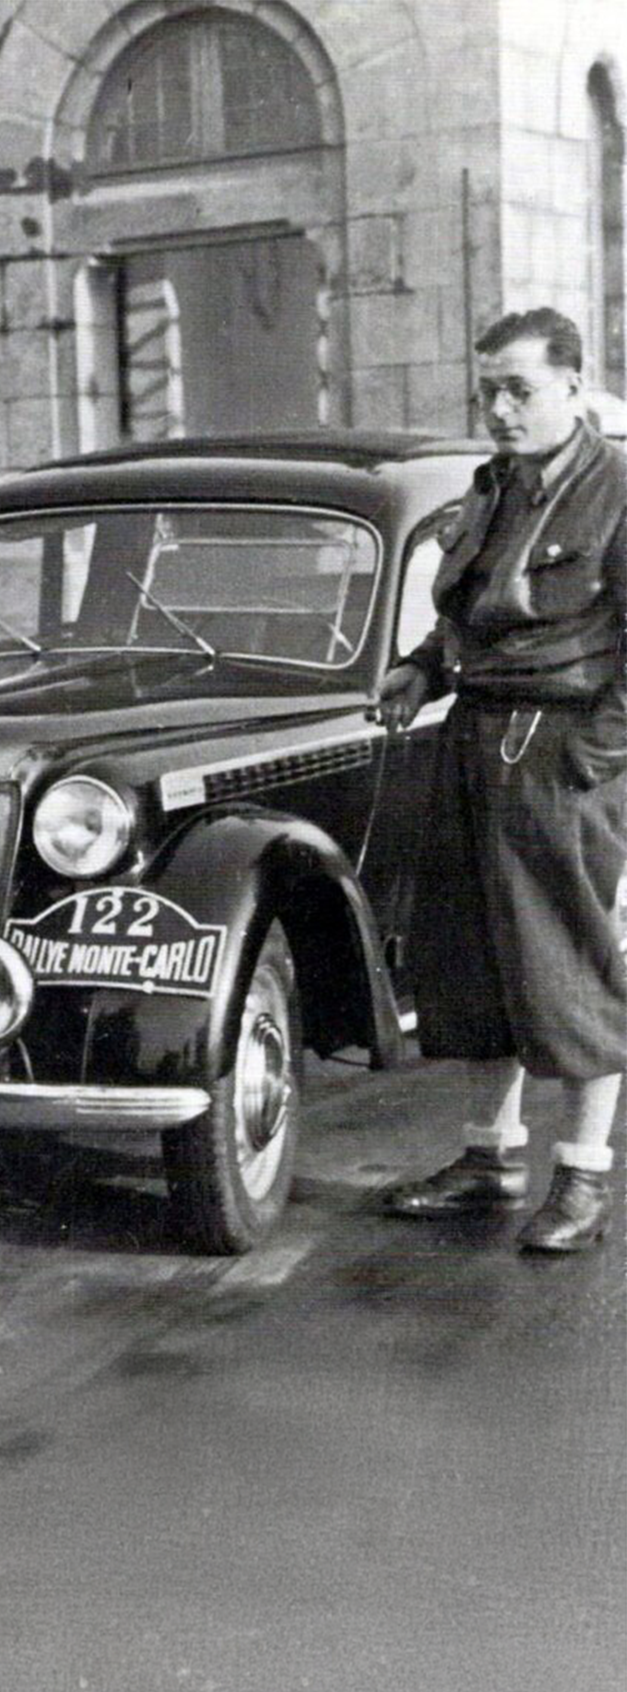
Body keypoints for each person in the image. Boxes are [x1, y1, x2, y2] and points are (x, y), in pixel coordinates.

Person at [378, 308, 627, 1255]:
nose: (499, 409)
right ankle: (490, 1158)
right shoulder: (494, 486)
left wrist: (591, 759)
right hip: (474, 738)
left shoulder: (615, 490)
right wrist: (419, 670)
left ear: (572, 384)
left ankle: (583, 1177)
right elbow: (470, 615)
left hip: (557, 750)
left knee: (568, 963)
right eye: (487, 390)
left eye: (518, 389)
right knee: (472, 959)